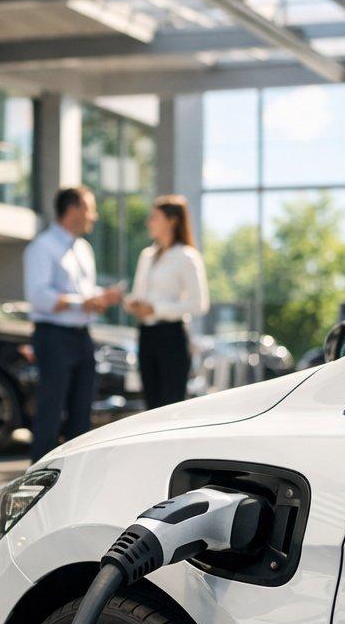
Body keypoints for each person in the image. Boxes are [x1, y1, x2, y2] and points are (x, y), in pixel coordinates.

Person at [23, 186, 123, 461]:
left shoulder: (84, 249)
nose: (95, 215)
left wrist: (100, 299)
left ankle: (74, 477)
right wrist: (84, 302)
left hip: (82, 337)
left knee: (82, 413)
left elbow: (83, 293)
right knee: (51, 411)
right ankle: (38, 479)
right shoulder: (42, 247)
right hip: (53, 337)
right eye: (90, 208)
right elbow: (39, 296)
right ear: (73, 209)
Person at [125, 195, 209, 409]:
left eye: (155, 217)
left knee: (171, 407)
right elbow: (139, 295)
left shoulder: (187, 256)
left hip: (172, 338)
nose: (149, 222)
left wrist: (157, 309)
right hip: (146, 336)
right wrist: (131, 303)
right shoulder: (147, 255)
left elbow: (199, 303)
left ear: (172, 221)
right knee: (150, 406)